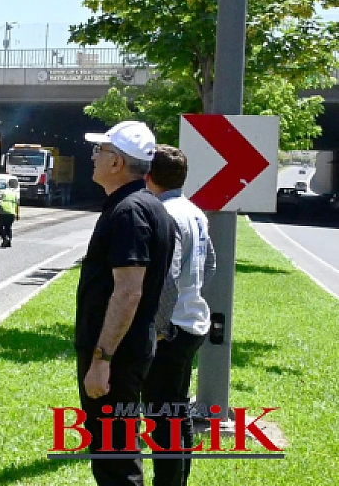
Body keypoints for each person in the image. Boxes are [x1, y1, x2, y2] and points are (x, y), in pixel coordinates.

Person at [77, 120, 176, 485]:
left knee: (115, 460)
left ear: (117, 162)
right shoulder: (147, 206)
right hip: (126, 349)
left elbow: (129, 290)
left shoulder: (129, 212)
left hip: (115, 355)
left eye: (99, 151)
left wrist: (101, 359)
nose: (93, 158)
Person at [143, 145, 213, 486]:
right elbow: (209, 264)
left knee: (161, 418)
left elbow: (167, 278)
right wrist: (193, 291)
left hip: (170, 329)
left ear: (148, 175)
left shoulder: (164, 214)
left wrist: (157, 329)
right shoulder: (196, 211)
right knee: (176, 412)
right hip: (192, 320)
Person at [0, 176, 20, 247]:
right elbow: (17, 204)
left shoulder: (2, 192)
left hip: (3, 212)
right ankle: (9, 242)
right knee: (8, 227)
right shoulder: (13, 194)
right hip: (11, 213)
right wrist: (17, 214)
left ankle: (5, 238)